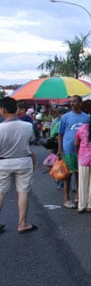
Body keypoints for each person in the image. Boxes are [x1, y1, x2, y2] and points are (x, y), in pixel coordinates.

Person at [0, 96, 38, 234]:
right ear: (15, 109)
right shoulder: (27, 126)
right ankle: (22, 223)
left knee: (1, 192)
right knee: (23, 192)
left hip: (3, 162)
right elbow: (31, 141)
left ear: (3, 110)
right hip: (23, 161)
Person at [57, 96, 89, 209]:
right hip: (68, 150)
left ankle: (78, 196)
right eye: (71, 102)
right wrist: (60, 150)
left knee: (80, 174)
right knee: (67, 175)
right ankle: (66, 199)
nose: (72, 104)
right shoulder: (65, 117)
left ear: (80, 103)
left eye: (74, 102)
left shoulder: (87, 117)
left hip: (83, 151)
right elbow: (60, 134)